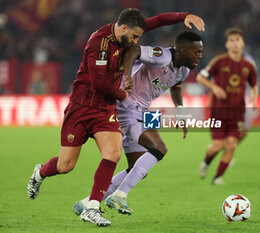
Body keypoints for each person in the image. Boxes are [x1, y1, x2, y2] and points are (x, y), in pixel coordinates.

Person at [26, 8, 205, 227]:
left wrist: (183, 16)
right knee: (65, 165)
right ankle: (42, 173)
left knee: (129, 161)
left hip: (115, 108)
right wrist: (125, 85)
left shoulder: (180, 68)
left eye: (139, 36)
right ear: (122, 28)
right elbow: (101, 82)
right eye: (135, 37)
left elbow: (156, 23)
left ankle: (91, 205)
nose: (136, 41)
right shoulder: (99, 44)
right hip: (88, 107)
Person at [72, 31, 203, 216]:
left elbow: (176, 86)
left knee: (139, 167)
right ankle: (119, 196)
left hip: (143, 109)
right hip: (128, 105)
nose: (200, 56)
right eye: (196, 52)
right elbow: (133, 50)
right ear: (182, 50)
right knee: (159, 148)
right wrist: (127, 75)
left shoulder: (184, 70)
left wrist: (180, 112)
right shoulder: (162, 55)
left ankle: (88, 202)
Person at [197, 27, 258, 185]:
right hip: (219, 112)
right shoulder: (219, 61)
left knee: (231, 146)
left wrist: (255, 98)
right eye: (232, 40)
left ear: (242, 43)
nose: (235, 43)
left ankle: (217, 177)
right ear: (227, 44)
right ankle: (206, 161)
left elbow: (254, 84)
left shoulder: (248, 66)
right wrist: (214, 87)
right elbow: (200, 77)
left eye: (238, 40)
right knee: (217, 147)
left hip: (237, 113)